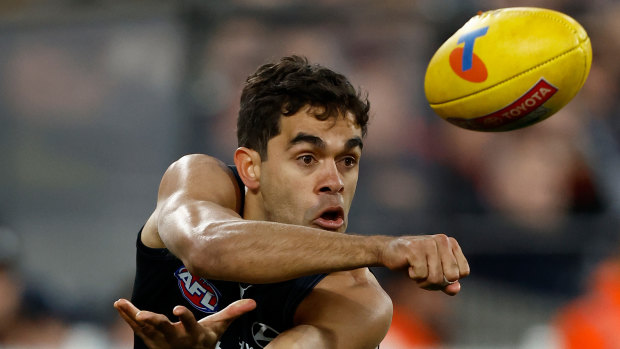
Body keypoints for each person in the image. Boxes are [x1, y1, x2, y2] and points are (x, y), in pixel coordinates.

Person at [114, 55, 470, 349]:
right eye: (307, 158)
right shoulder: (200, 180)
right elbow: (207, 250)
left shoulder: (357, 303)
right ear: (251, 168)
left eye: (347, 161)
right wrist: (382, 249)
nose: (334, 182)